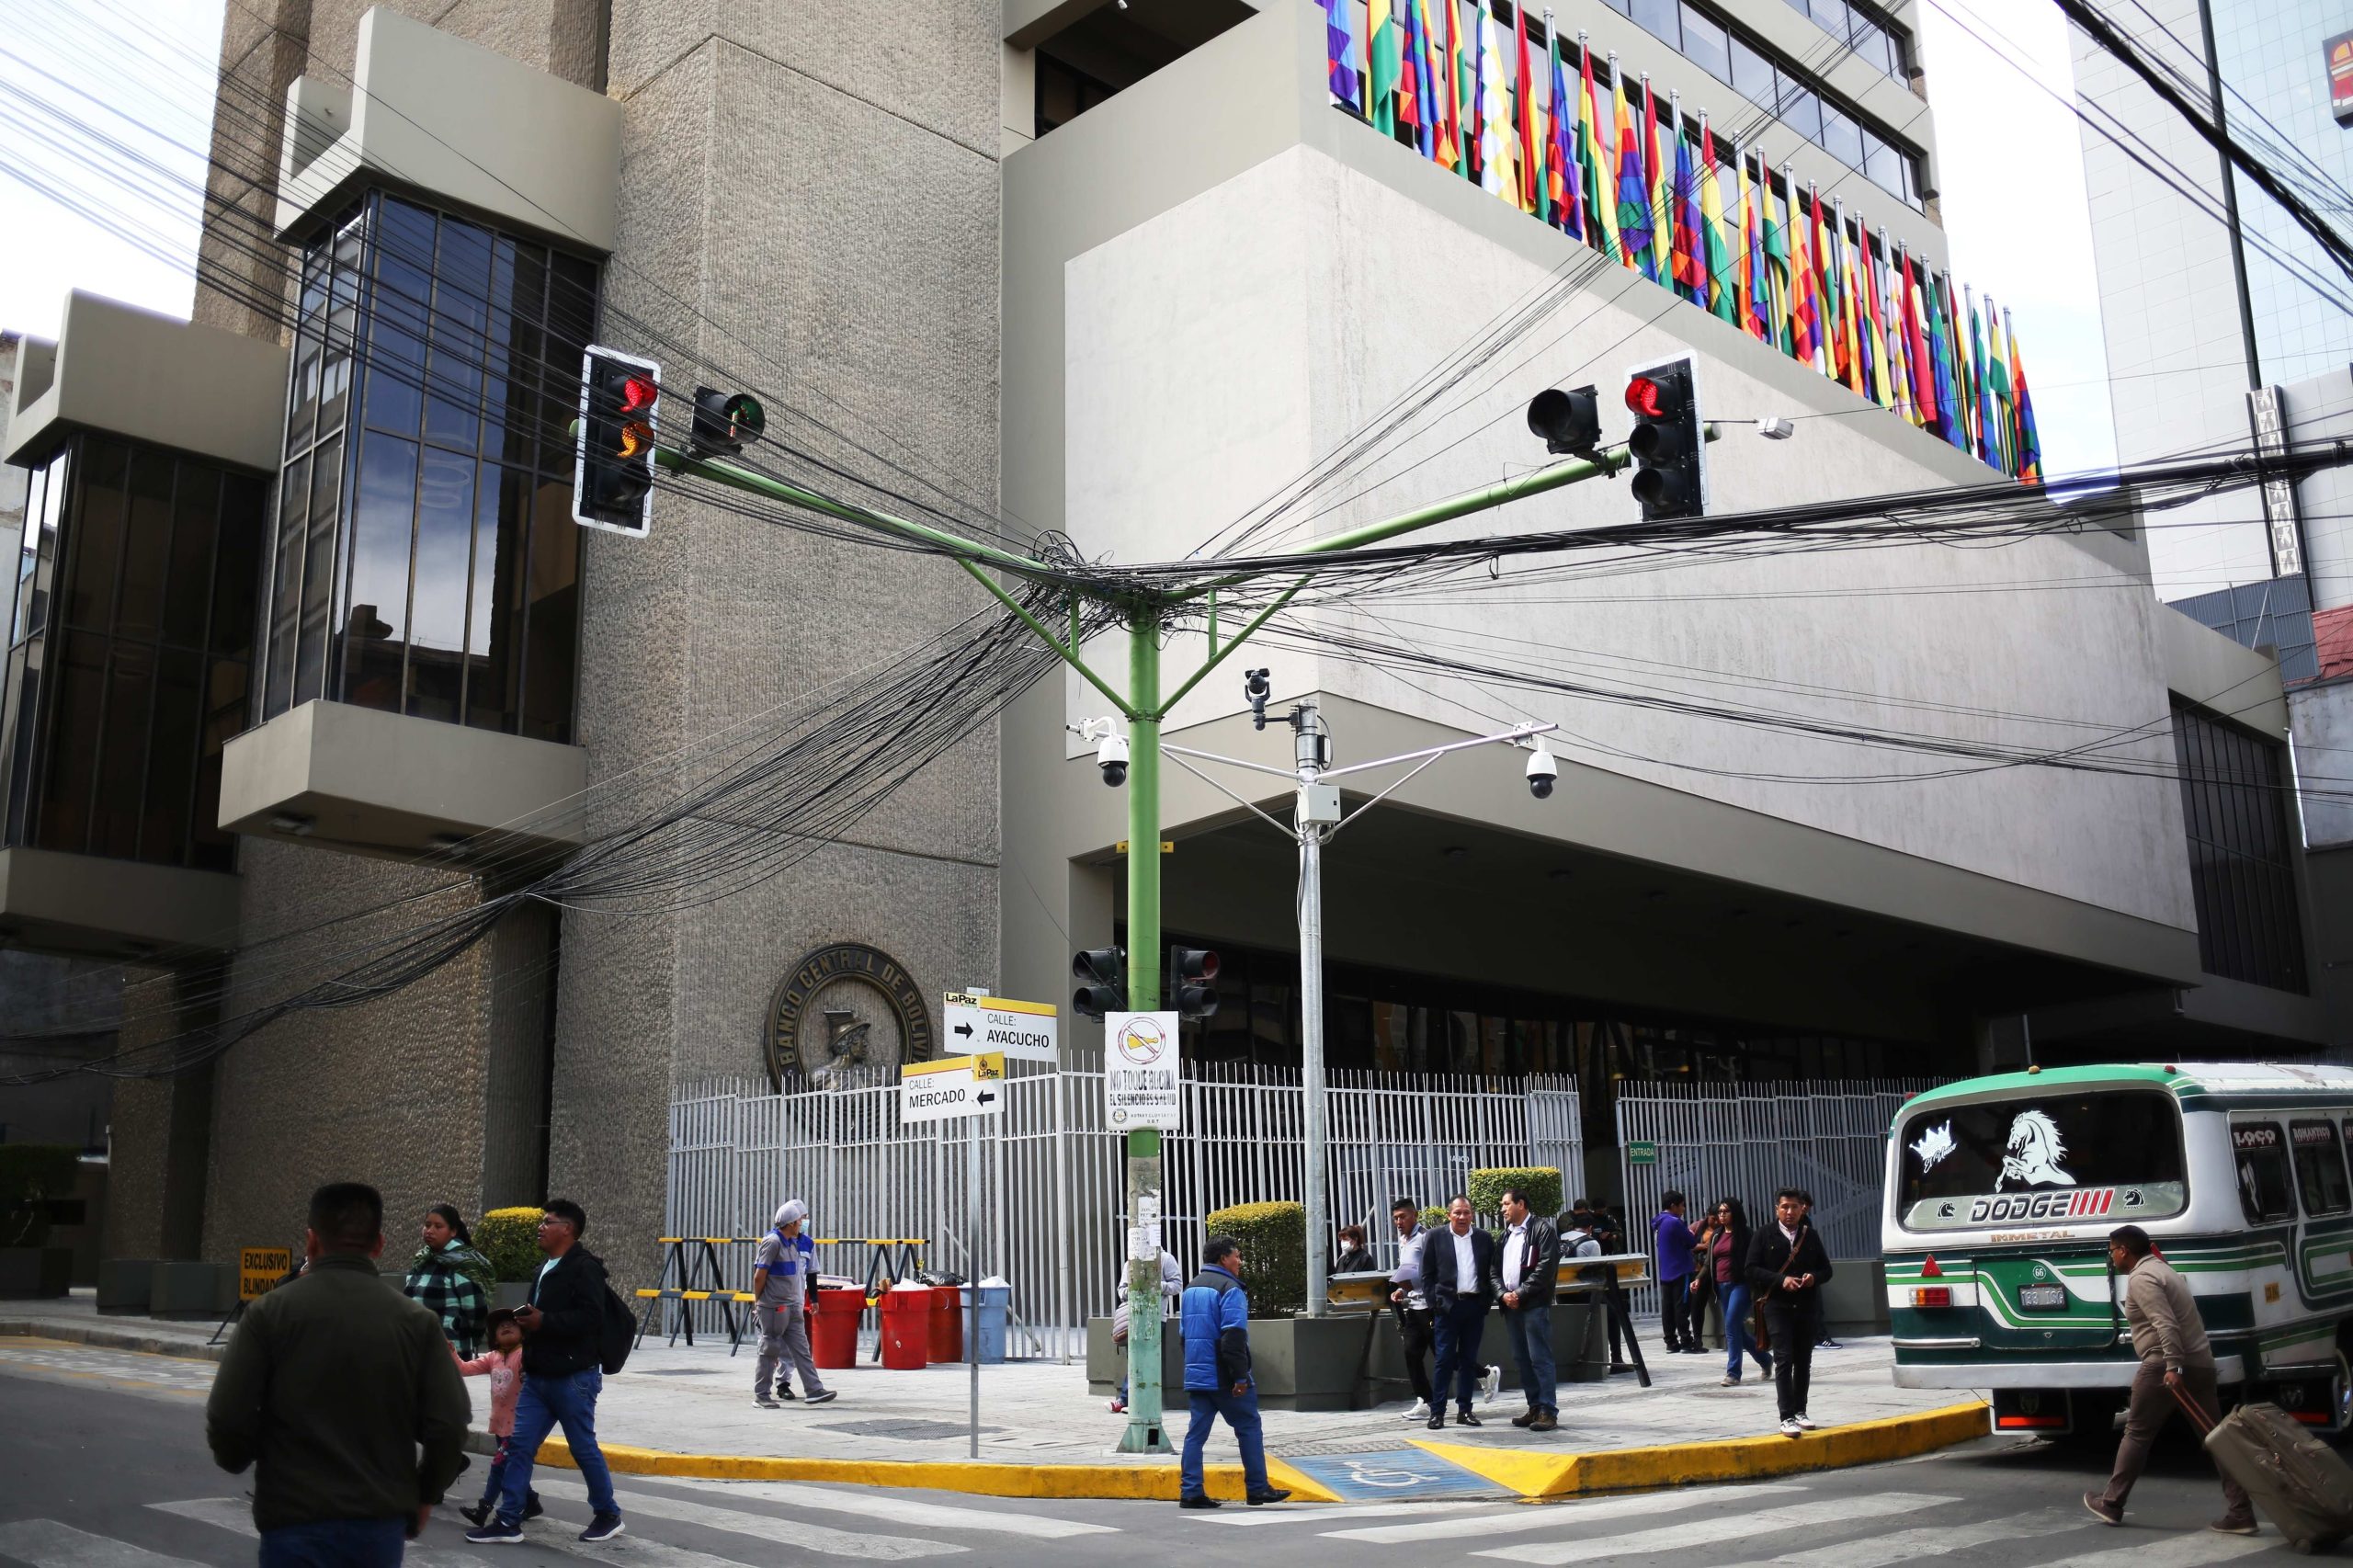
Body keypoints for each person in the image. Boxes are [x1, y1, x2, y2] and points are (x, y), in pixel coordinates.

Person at [206, 1181, 471, 1566]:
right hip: (377, 1523)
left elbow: (228, 1415)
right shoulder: (417, 1323)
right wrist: (425, 1493)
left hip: (293, 1514)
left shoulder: (269, 1313)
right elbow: (448, 1424)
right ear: (378, 1245)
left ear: (311, 1242)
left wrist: (236, 1458)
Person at [465, 1199, 624, 1545]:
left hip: (573, 1377)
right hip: (537, 1378)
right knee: (518, 1446)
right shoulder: (543, 1268)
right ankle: (508, 1520)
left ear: (567, 1229)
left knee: (582, 1448)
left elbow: (592, 1317)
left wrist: (543, 1321)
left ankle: (608, 1514)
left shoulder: (585, 1267)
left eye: (547, 1221)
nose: (540, 1226)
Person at [2083, 1224, 2255, 1534]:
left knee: (2136, 1432)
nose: (2111, 1257)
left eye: (2112, 1250)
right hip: (2200, 1363)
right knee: (2216, 1439)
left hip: (2166, 1366)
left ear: (2124, 1250)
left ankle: (2111, 1502)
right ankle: (2241, 1512)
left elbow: (2166, 1324)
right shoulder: (2164, 1270)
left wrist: (2174, 1367)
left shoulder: (2142, 1278)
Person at [1176, 1235, 1290, 1510]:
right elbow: (1233, 1337)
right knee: (1249, 1427)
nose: (1240, 1261)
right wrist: (1240, 1377)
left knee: (1196, 1434)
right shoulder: (1231, 1289)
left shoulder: (1191, 1289)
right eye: (1236, 1255)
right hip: (1225, 1376)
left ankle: (1190, 1491)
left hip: (1198, 1374)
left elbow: (1183, 1336)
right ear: (1223, 1259)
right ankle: (1257, 1488)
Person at [1746, 1187, 1833, 1437]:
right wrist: (1780, 1280)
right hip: (1777, 1305)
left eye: (1794, 1207)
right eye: (1784, 1207)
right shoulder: (1764, 1235)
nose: (1790, 1212)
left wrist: (1812, 1278)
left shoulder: (1810, 1235)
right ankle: (1786, 1416)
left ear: (1801, 1209)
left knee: (1803, 1359)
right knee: (1784, 1358)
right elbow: (1750, 1269)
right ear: (1777, 1209)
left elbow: (1827, 1270)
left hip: (1806, 1305)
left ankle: (1800, 1410)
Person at [454, 1310, 540, 1528]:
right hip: (500, 1424)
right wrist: (451, 1351)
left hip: (520, 1425)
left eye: (512, 1323)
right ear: (493, 1337)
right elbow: (464, 1369)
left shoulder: (524, 1355)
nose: (505, 1326)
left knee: (499, 1466)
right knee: (511, 1466)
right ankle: (531, 1503)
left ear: (523, 1332)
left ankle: (483, 1509)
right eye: (500, 1326)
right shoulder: (493, 1357)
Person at [1421, 1194, 1498, 1429]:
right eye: (1457, 1213)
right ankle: (1438, 1412)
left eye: (1466, 1212)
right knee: (1444, 1360)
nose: (1462, 1217)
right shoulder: (1435, 1237)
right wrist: (1435, 1304)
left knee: (1468, 1360)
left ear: (1472, 1214)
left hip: (1474, 1306)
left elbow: (1491, 1271)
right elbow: (1427, 1274)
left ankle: (1465, 1410)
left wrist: (1486, 1302)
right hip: (1447, 1307)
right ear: (1449, 1215)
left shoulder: (1484, 1238)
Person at [751, 1200, 835, 1410]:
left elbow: (810, 1273)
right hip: (773, 1306)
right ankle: (762, 1395)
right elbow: (759, 1276)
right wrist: (759, 1302)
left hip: (793, 1305)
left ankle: (814, 1389)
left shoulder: (797, 1243)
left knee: (801, 1349)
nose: (802, 1224)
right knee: (769, 1348)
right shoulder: (773, 1242)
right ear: (790, 1223)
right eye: (799, 1220)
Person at [1498, 1186, 1561, 1431]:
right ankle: (1534, 1406)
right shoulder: (1506, 1235)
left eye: (1506, 1204)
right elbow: (1494, 1270)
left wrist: (1520, 1293)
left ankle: (1548, 1410)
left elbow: (1546, 1267)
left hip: (1533, 1304)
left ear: (1521, 1204)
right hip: (1511, 1306)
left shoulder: (1542, 1230)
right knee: (1521, 1358)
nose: (1503, 1209)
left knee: (1540, 1358)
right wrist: (1503, 1294)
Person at [404, 1203, 495, 1356]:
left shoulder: (462, 1264)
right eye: (427, 1225)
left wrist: (459, 1331)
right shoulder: (422, 1260)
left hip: (450, 1353)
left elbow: (477, 1312)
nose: (430, 1230)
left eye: (438, 1226)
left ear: (453, 1231)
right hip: (415, 1349)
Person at [1109, 1244, 1183, 1414]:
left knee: (1147, 1359)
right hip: (1133, 1318)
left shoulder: (1165, 1259)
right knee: (1134, 1359)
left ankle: (1129, 1400)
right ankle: (1131, 1400)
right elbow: (1121, 1290)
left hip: (1156, 1318)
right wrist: (1135, 1288)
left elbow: (1177, 1286)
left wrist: (1155, 1285)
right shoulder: (1131, 1262)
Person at [1708, 1198, 1770, 1387]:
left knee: (1731, 1326)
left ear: (1735, 1213)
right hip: (1721, 1285)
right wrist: (1699, 1280)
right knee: (1737, 1330)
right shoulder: (1716, 1235)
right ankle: (1766, 1360)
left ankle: (1733, 1372)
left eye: (1726, 1211)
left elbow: (1756, 1260)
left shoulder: (1746, 1234)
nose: (1721, 1215)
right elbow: (1709, 1261)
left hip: (1741, 1285)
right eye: (1719, 1212)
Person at [1387, 1199, 1438, 1422]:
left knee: (1444, 1356)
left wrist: (1414, 1286)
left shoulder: (1425, 1237)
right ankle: (1425, 1401)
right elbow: (1410, 1271)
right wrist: (1402, 1290)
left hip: (1430, 1307)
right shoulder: (1403, 1240)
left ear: (1414, 1215)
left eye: (1402, 1217)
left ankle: (1485, 1374)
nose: (1398, 1222)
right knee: (1411, 1354)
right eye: (1396, 1218)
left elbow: (1433, 1271)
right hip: (1414, 1307)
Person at [1653, 1190, 1699, 1354]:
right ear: (1673, 1206)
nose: (1684, 1208)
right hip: (1681, 1269)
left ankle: (1671, 1342)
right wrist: (1691, 1233)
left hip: (1666, 1270)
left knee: (1668, 1307)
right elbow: (1692, 1242)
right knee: (1682, 1306)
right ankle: (1686, 1340)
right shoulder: (1674, 1222)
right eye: (1682, 1205)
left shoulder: (1659, 1222)